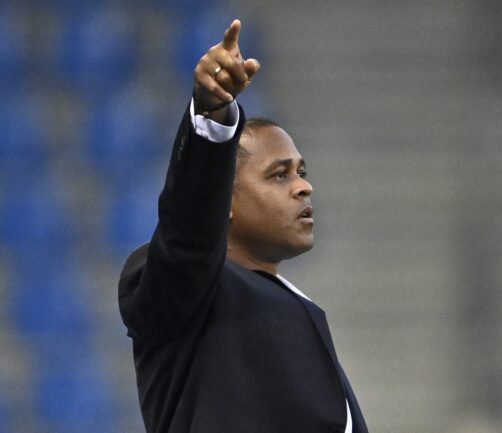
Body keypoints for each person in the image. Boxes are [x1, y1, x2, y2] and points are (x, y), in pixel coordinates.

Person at [118, 19, 367, 433]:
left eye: (301, 171)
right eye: (279, 175)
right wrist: (213, 119)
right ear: (224, 201)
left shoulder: (300, 309)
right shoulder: (181, 289)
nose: (305, 186)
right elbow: (187, 237)